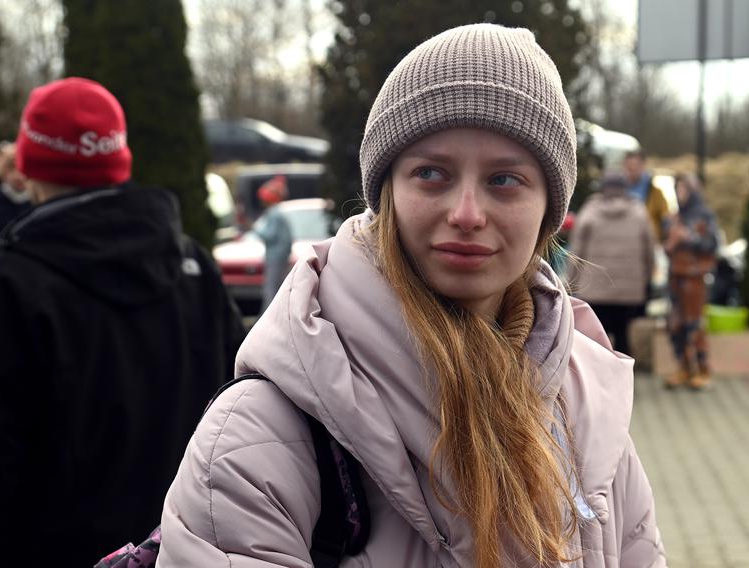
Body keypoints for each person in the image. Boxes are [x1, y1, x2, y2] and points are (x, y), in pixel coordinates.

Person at [159, 24, 665, 567]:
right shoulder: (258, 437)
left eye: (505, 180)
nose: (467, 213)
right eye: (431, 174)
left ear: (547, 211)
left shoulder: (589, 410)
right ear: (386, 195)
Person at [0, 77, 247, 565]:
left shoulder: (10, 282)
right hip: (183, 548)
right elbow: (241, 410)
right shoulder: (192, 267)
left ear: (28, 163)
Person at [568, 173, 654, 355]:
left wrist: (571, 281)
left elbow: (576, 252)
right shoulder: (639, 212)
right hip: (628, 291)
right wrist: (646, 280)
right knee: (623, 336)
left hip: (595, 290)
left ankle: (598, 379)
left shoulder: (590, 210)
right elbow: (649, 252)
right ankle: (624, 378)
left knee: (596, 341)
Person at [663, 173, 719, 390]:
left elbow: (712, 244)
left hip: (695, 276)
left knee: (695, 324)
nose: (680, 193)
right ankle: (683, 366)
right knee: (675, 324)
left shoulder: (704, 216)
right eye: (678, 188)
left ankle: (703, 368)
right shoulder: (675, 216)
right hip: (676, 275)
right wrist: (670, 241)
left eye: (685, 189)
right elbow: (667, 247)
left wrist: (689, 237)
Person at [254, 173, 294, 311]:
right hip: (280, 256)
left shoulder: (274, 214)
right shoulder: (278, 212)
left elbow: (269, 235)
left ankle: (268, 315)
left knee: (271, 289)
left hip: (275, 257)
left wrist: (256, 229)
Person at [0, 143, 32, 249]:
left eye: (23, 168)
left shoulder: (38, 203)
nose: (19, 176)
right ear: (4, 171)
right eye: (12, 169)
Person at [623, 148, 671, 242]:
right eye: (629, 166)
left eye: (635, 166)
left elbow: (666, 217)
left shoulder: (655, 192)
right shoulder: (616, 191)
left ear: (643, 166)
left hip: (649, 242)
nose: (632, 169)